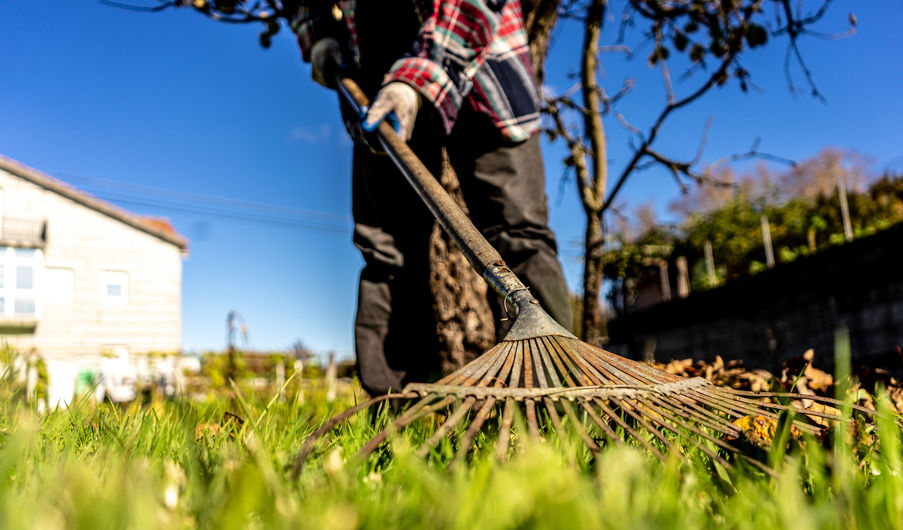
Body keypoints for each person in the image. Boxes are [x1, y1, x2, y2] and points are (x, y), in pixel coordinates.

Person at [285, 0, 572, 396]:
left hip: (483, 60)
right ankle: (394, 417)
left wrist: (419, 79)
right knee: (387, 253)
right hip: (374, 79)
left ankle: (555, 396)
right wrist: (317, 33)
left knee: (518, 234)